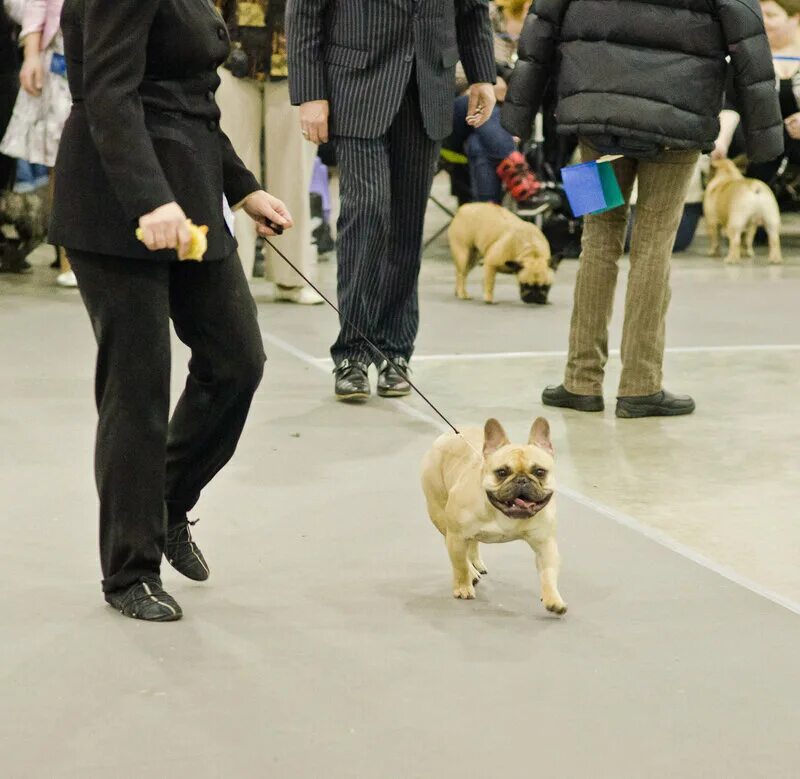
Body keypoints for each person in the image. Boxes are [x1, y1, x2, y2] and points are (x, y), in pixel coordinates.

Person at [49, 0, 292, 622]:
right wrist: (148, 200)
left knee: (237, 360)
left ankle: (164, 500)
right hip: (116, 200)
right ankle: (130, 570)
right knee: (138, 387)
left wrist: (242, 186)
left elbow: (196, 100)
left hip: (189, 198)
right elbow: (108, 93)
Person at [502, 0, 783, 418]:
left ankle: (580, 381)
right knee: (654, 248)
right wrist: (766, 144)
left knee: (596, 240)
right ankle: (640, 386)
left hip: (595, 123)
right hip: (678, 129)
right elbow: (750, 47)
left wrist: (517, 119)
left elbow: (539, 29)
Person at [287, 0, 497, 402]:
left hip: (427, 88)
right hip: (356, 85)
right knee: (366, 212)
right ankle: (352, 351)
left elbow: (472, 9)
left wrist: (482, 75)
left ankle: (395, 350)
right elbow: (305, 12)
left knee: (406, 226)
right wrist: (310, 92)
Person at [215, 0, 322, 304]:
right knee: (231, 172)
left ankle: (293, 278)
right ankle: (231, 274)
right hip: (230, 57)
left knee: (294, 173)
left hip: (296, 63)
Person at [0, 0, 74, 286]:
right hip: (59, 57)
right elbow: (36, 7)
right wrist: (31, 55)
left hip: (106, 52)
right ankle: (69, 258)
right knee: (63, 161)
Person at [449, 0, 540, 204]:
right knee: (485, 109)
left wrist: (505, 84)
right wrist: (483, 82)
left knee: (479, 144)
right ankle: (519, 174)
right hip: (452, 110)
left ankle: (488, 214)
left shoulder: (522, 36)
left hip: (485, 125)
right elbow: (455, 67)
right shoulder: (483, 15)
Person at [714, 1, 800, 190]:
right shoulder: (747, 54)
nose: (764, 22)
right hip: (758, 145)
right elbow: (729, 103)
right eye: (760, 16)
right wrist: (721, 141)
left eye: (771, 16)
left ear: (796, 17)